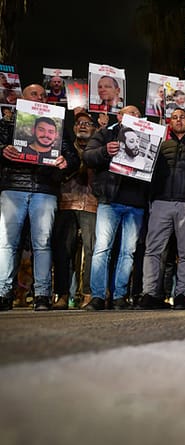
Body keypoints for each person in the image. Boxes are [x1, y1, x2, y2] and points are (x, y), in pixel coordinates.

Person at [0, 83, 79, 311]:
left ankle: (42, 294)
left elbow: (73, 156)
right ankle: (4, 293)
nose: (40, 97)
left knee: (42, 243)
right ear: (22, 99)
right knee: (7, 243)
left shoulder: (59, 126)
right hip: (14, 186)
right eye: (34, 94)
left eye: (43, 95)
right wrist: (2, 149)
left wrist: (67, 162)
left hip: (45, 190)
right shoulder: (8, 122)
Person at [139, 108, 185, 310]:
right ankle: (150, 293)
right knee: (153, 250)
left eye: (183, 117)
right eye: (175, 118)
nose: (179, 120)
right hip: (161, 202)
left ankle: (181, 294)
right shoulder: (161, 145)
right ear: (169, 122)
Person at [82, 105, 150, 311]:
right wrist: (105, 151)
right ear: (119, 117)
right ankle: (98, 296)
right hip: (110, 200)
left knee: (127, 251)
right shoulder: (105, 134)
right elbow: (87, 156)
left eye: (138, 114)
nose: (136, 116)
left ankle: (120, 296)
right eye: (131, 113)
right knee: (102, 248)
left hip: (136, 202)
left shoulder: (147, 138)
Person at [51, 111, 98, 310]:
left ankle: (88, 294)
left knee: (92, 252)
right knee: (63, 251)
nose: (83, 126)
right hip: (66, 203)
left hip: (92, 205)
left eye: (88, 123)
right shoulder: (64, 148)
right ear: (73, 128)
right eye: (79, 123)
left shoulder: (99, 149)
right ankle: (62, 295)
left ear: (94, 128)